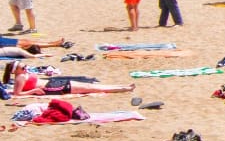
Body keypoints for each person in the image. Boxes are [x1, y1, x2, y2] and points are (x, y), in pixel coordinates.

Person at [3, 60, 136, 99]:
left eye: (24, 65)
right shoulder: (20, 77)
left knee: (88, 86)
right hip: (52, 87)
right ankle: (124, 88)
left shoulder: (22, 75)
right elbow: (17, 94)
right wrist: (33, 91)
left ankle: (123, 86)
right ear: (16, 71)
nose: (25, 67)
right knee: (90, 88)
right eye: (22, 67)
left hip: (53, 83)